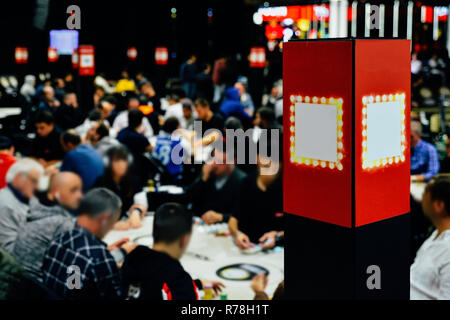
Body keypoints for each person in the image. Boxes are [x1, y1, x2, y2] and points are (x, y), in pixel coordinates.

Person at [42, 188, 135, 300]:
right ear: (105, 218)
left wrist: (108, 252)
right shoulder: (98, 257)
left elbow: (73, 280)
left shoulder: (59, 239)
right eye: (113, 222)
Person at [121, 203, 225, 300]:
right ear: (184, 239)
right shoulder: (179, 280)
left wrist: (197, 284)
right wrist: (189, 286)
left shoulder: (135, 256)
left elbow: (152, 286)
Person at [11, 172, 83, 282]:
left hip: (18, 282)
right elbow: (74, 266)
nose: (80, 196)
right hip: (38, 289)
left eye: (80, 190)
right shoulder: (62, 223)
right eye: (73, 190)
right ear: (55, 192)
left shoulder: (36, 207)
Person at [229, 140, 283, 249]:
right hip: (248, 245)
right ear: (258, 159)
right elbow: (233, 219)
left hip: (276, 249)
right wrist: (237, 234)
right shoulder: (246, 182)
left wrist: (277, 235)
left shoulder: (287, 188)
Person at [411, 174, 450, 299]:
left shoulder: (447, 249)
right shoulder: (436, 233)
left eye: (424, 195)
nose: (421, 199)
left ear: (439, 205)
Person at [188, 147, 246, 224]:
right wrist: (203, 180)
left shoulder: (242, 181)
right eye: (213, 159)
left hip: (227, 228)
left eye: (220, 161)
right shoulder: (208, 173)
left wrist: (222, 217)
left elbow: (245, 214)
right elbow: (190, 199)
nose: (214, 165)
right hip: (202, 224)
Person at [93, 146, 146, 229]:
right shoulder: (100, 183)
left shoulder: (133, 179)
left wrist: (136, 212)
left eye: (124, 160)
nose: (121, 164)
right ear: (109, 163)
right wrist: (111, 225)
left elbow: (142, 201)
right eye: (117, 161)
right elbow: (94, 212)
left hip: (128, 225)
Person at [0, 158, 44, 253]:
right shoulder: (7, 206)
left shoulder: (20, 199)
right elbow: (7, 251)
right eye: (34, 181)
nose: (37, 186)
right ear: (18, 177)